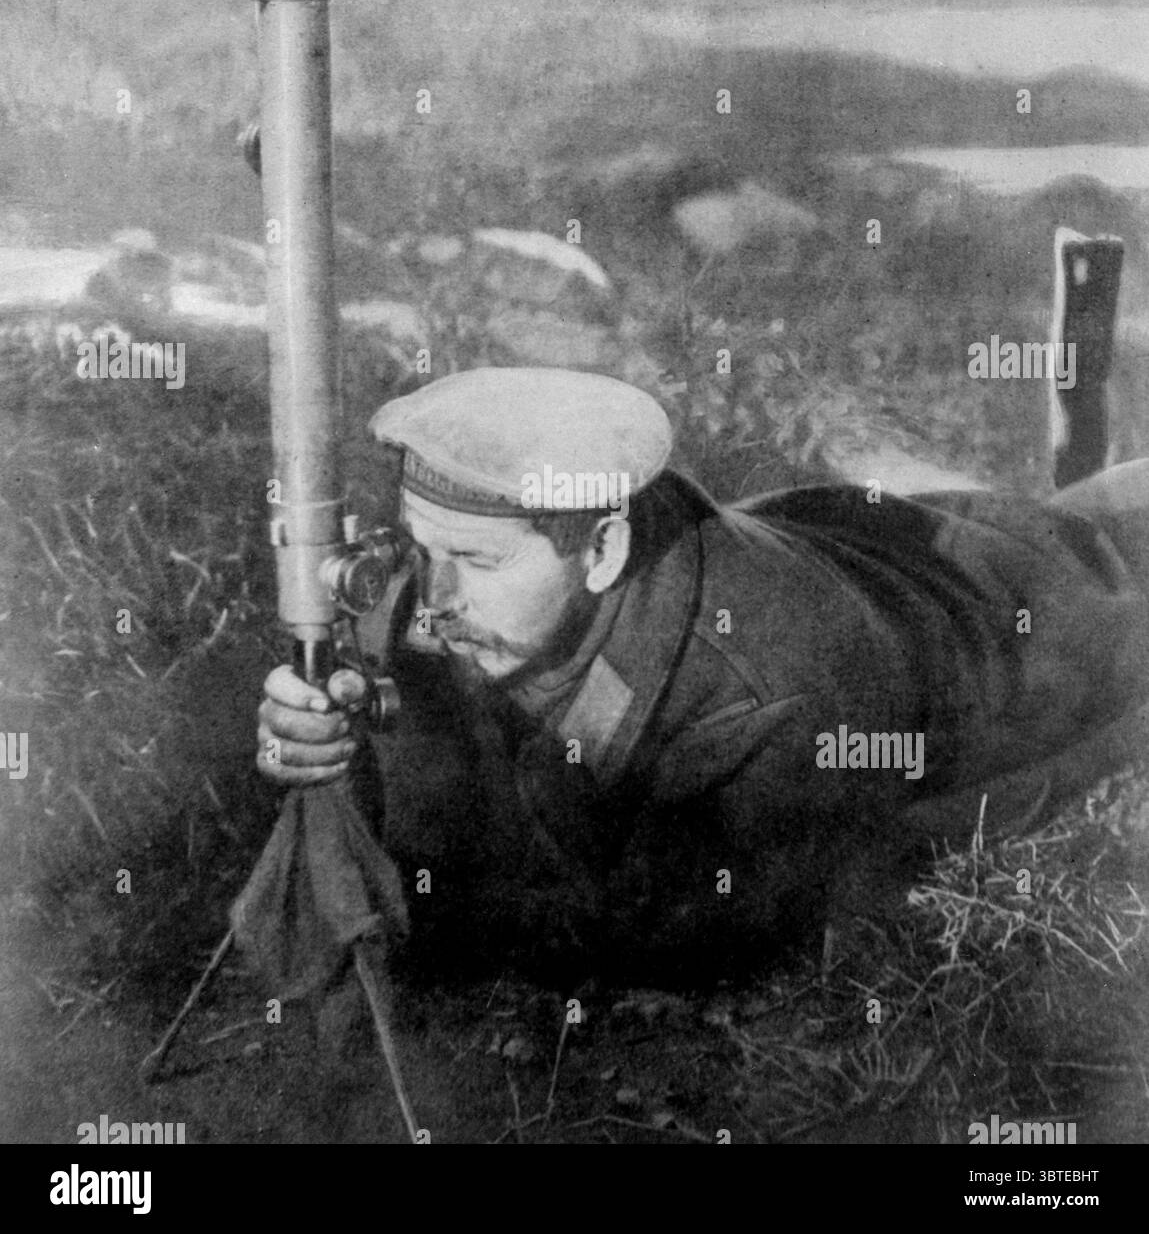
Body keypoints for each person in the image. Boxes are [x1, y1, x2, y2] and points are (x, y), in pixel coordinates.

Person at [256, 367, 1149, 983]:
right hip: (848, 540)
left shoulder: (770, 694)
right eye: (422, 550)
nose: (431, 598)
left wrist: (428, 919)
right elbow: (416, 699)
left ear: (601, 549)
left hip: (995, 628)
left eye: (475, 563)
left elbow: (684, 928)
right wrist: (314, 732)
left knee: (1097, 555)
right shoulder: (480, 574)